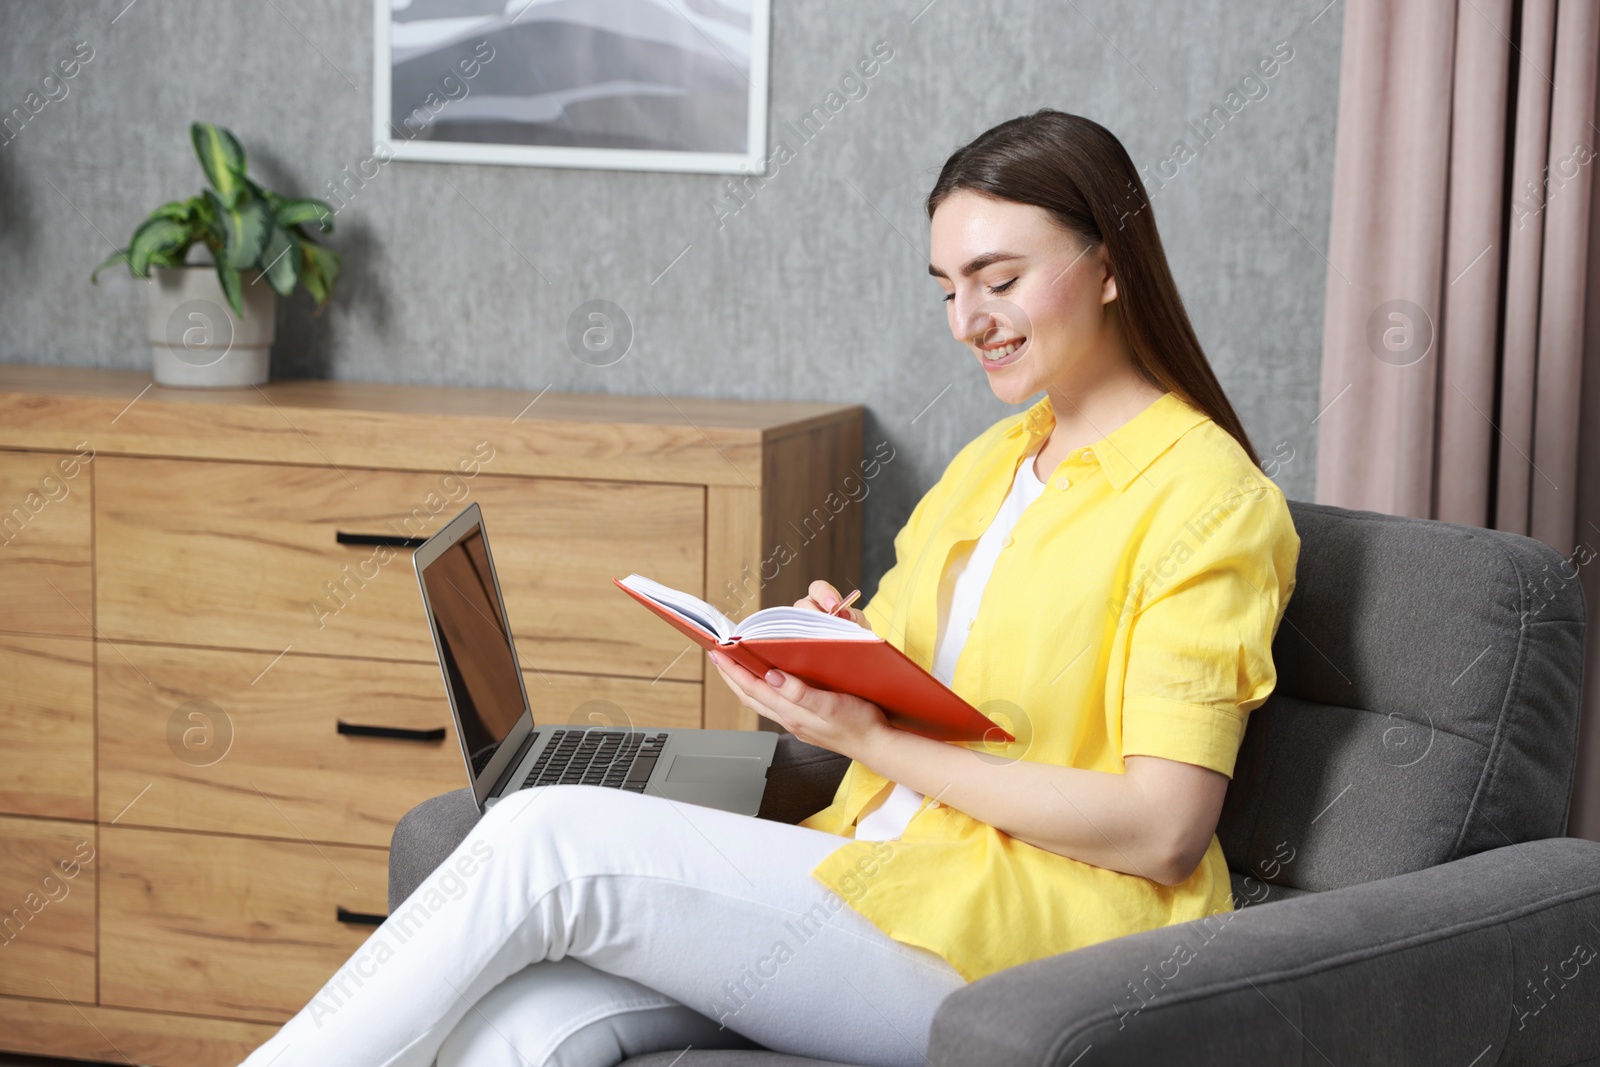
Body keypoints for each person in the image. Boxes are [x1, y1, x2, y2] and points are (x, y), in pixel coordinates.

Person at [237, 109, 1298, 1067]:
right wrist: (822, 654)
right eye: (946, 289)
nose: (966, 320)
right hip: (868, 872)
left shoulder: (1211, 501)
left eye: (1000, 279)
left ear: (1107, 266)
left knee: (544, 836)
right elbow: (928, 676)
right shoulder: (995, 461)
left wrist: (871, 739)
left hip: (1028, 944)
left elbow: (1161, 825)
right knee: (519, 1029)